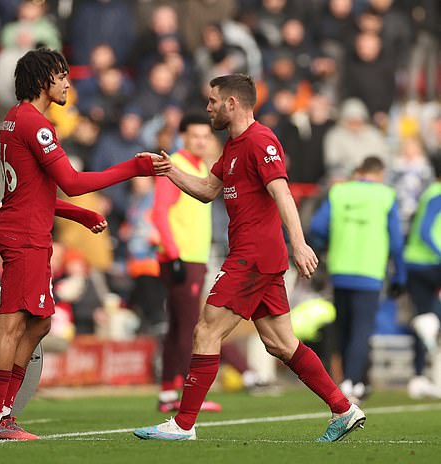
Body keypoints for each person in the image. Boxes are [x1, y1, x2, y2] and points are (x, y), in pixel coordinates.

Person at [133, 74, 365, 443]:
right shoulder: (233, 147)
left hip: (252, 256)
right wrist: (170, 170)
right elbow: (208, 190)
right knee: (281, 344)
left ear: (231, 104)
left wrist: (300, 244)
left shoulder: (260, 140)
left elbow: (282, 192)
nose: (207, 107)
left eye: (212, 101)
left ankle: (182, 424)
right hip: (258, 257)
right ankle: (343, 408)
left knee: (205, 329)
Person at [0, 47, 171, 441]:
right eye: (61, 75)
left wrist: (79, 215)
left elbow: (32, 192)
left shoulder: (14, 121)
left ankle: (2, 414)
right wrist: (134, 166)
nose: (68, 82)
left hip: (25, 229)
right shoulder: (37, 125)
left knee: (40, 321)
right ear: (43, 80)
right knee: (12, 324)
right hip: (25, 236)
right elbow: (73, 182)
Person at [310, 156, 406, 403]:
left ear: (360, 171)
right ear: (380, 173)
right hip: (370, 272)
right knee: (361, 331)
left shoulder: (339, 192)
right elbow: (396, 240)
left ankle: (349, 381)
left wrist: (325, 249)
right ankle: (353, 384)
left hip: (340, 270)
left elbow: (317, 228)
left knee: (344, 328)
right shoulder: (386, 196)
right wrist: (400, 274)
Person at [152, 113, 221, 413]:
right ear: (183, 137)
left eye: (206, 136)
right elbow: (160, 212)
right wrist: (174, 253)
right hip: (182, 257)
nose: (201, 141)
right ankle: (183, 393)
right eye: (195, 136)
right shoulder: (177, 166)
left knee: (179, 326)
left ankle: (169, 392)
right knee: (189, 327)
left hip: (194, 256)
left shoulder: (202, 166)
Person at [403, 155, 441, 399]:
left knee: (424, 318)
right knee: (430, 319)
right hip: (429, 264)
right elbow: (427, 230)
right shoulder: (437, 194)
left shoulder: (431, 191)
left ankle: (419, 375)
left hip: (417, 263)